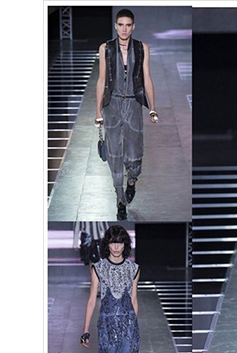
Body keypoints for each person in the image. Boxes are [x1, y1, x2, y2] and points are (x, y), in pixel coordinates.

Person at [95, 9, 160, 220]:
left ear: (133, 27)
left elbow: (147, 78)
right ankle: (120, 199)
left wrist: (152, 107)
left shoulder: (142, 48)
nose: (124, 29)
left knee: (134, 154)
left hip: (133, 103)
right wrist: (98, 111)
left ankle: (132, 180)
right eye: (121, 25)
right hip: (112, 105)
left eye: (128, 25)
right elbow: (101, 80)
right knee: (114, 154)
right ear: (116, 26)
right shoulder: (106, 48)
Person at [80, 225, 141, 353]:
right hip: (106, 326)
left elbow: (134, 300)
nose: (116, 246)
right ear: (108, 244)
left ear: (125, 244)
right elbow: (91, 300)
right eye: (113, 242)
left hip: (127, 325)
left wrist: (135, 329)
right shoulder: (98, 268)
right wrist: (85, 330)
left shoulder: (133, 268)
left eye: (120, 242)